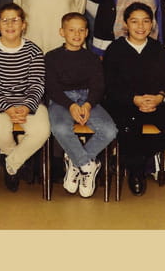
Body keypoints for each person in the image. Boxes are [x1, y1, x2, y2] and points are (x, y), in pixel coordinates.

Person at [102, 2, 165, 196]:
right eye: (134, 21)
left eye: (145, 21)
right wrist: (133, 99)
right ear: (126, 24)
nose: (140, 26)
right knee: (128, 129)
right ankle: (136, 173)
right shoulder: (115, 50)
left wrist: (159, 98)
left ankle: (134, 161)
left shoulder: (159, 51)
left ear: (152, 24)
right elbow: (109, 88)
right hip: (125, 104)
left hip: (156, 104)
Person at [0, 3, 49, 192]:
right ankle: (17, 159)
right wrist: (7, 108)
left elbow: (37, 84)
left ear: (23, 24)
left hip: (28, 100)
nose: (10, 24)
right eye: (5, 20)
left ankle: (12, 163)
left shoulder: (34, 50)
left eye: (15, 20)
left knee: (41, 131)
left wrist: (27, 106)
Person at [45, 12, 117, 198]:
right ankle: (87, 165)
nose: (76, 34)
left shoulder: (92, 58)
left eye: (81, 30)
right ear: (62, 32)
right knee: (60, 128)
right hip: (61, 101)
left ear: (86, 33)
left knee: (109, 130)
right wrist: (70, 105)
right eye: (71, 30)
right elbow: (51, 87)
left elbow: (98, 86)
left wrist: (88, 104)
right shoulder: (51, 57)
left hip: (88, 99)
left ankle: (76, 160)